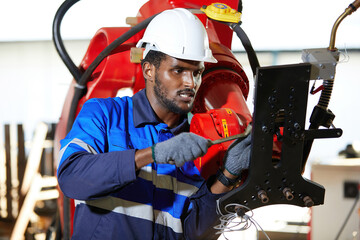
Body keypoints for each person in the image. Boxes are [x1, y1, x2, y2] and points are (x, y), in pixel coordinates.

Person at [57, 8, 251, 240]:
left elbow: (193, 233)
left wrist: (227, 175)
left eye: (197, 73)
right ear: (149, 69)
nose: (191, 83)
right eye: (178, 70)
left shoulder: (197, 145)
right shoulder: (105, 115)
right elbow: (71, 177)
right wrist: (152, 155)